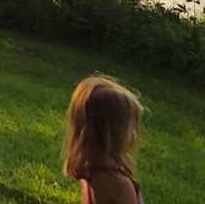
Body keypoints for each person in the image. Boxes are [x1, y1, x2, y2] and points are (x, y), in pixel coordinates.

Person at [63, 76, 146, 204]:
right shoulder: (120, 185)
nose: (135, 133)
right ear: (113, 133)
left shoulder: (92, 173)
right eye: (131, 127)